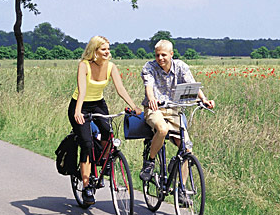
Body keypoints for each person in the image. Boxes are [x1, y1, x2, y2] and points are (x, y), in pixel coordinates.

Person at [68, 35, 142, 205]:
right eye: (103, 49)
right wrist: (78, 112)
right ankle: (87, 187)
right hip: (80, 104)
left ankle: (104, 161)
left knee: (108, 133)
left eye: (108, 49)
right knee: (86, 144)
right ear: (94, 51)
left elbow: (120, 89)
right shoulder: (84, 65)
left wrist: (134, 106)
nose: (107, 52)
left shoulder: (111, 67)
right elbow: (82, 90)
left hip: (98, 104)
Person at [139, 40, 215, 202]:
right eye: (157, 55)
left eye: (164, 55)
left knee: (187, 149)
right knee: (162, 129)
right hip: (155, 109)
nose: (160, 58)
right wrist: (151, 99)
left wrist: (204, 100)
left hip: (174, 110)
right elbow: (149, 86)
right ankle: (150, 162)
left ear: (171, 54)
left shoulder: (181, 66)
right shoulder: (149, 67)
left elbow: (191, 84)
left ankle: (181, 189)